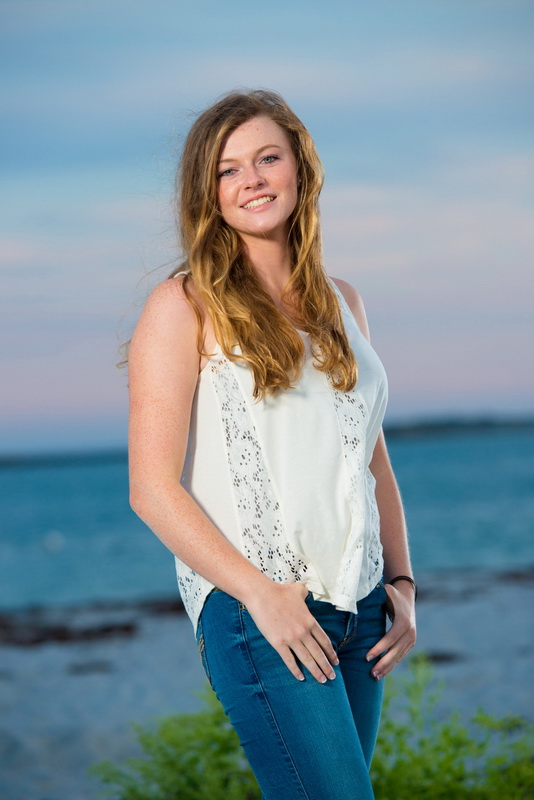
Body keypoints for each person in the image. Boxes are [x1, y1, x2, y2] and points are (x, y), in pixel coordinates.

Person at [127, 89, 416, 800]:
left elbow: (370, 458)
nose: (251, 179)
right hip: (261, 608)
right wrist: (261, 595)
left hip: (362, 609)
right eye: (228, 170)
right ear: (208, 192)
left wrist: (403, 586)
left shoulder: (344, 301)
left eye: (266, 158)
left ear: (299, 169)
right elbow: (151, 488)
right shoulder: (184, 306)